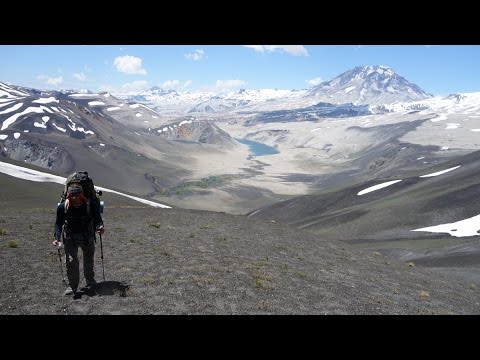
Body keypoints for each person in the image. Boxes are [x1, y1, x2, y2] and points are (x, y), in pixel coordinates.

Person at [53, 183, 105, 295]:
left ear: (82, 194)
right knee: (71, 261)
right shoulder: (63, 207)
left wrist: (100, 227)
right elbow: (58, 224)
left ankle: (90, 281)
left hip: (87, 235)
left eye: (77, 194)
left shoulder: (90, 205)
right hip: (70, 237)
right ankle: (72, 286)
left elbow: (98, 219)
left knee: (88, 259)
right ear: (68, 195)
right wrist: (57, 238)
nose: (74, 197)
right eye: (72, 195)